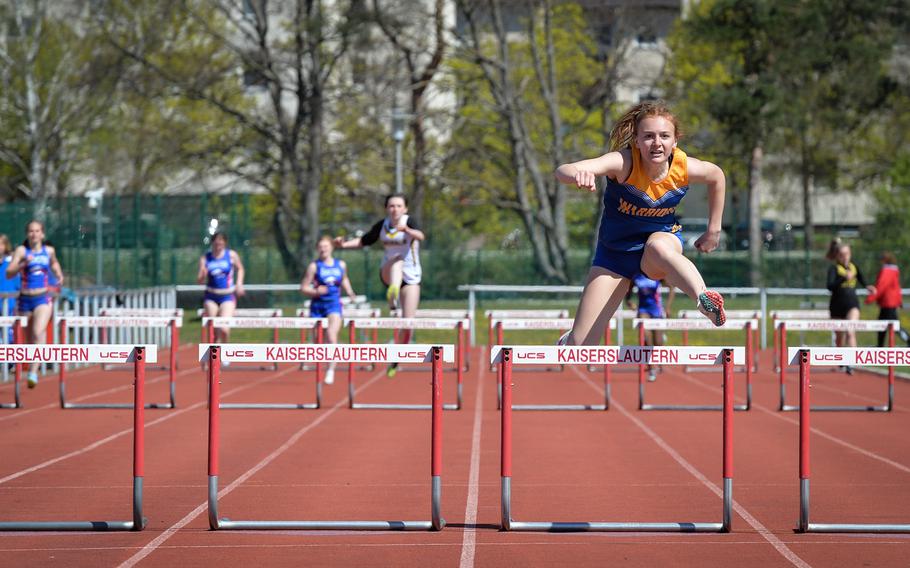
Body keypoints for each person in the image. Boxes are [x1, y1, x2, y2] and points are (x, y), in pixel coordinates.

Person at [554, 101, 727, 347]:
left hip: (659, 243)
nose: (656, 143)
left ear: (675, 141)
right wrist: (578, 174)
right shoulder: (623, 163)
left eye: (664, 136)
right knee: (580, 346)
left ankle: (703, 299)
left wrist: (714, 229)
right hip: (615, 254)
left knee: (658, 247)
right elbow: (563, 170)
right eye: (648, 136)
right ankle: (568, 341)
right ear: (636, 140)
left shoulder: (684, 167)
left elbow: (717, 176)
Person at [334, 194, 425, 377]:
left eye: (399, 206)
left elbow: (421, 236)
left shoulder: (410, 222)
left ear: (405, 209)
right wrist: (342, 245)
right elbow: (363, 241)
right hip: (388, 271)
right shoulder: (382, 225)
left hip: (411, 278)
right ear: (387, 209)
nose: (395, 209)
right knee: (397, 260)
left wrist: (407, 230)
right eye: (391, 206)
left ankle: (395, 362)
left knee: (408, 325)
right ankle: (392, 294)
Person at [5, 221, 64, 388]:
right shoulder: (21, 251)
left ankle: (33, 371)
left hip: (42, 298)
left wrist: (59, 274)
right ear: (27, 234)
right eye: (31, 231)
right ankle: (30, 366)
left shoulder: (49, 250)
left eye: (37, 231)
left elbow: (53, 262)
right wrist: (22, 263)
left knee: (39, 332)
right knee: (28, 338)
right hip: (24, 299)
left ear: (42, 234)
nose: (34, 234)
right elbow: (9, 273)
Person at [300, 236, 357, 384]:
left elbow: (344, 278)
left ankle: (330, 370)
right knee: (317, 341)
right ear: (317, 249)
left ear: (331, 247)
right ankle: (323, 363)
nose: (323, 249)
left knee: (331, 334)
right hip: (317, 305)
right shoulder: (314, 266)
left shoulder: (341, 265)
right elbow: (304, 287)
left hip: (334, 305)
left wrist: (350, 292)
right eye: (320, 247)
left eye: (326, 246)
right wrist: (316, 291)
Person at [825, 239, 875, 373]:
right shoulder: (834, 269)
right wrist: (843, 278)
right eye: (842, 254)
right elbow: (829, 287)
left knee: (850, 331)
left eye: (847, 254)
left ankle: (851, 363)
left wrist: (868, 287)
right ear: (837, 256)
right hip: (836, 305)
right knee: (839, 336)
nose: (845, 257)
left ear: (850, 254)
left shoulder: (854, 267)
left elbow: (862, 280)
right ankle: (841, 358)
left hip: (852, 304)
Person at [197, 232, 245, 347]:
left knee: (224, 329)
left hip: (227, 296)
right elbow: (199, 281)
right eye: (216, 241)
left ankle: (225, 350)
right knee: (213, 330)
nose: (218, 244)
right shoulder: (205, 258)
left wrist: (239, 283)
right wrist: (203, 275)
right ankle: (214, 358)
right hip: (211, 296)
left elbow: (241, 269)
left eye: (221, 241)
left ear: (224, 242)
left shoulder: (231, 255)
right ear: (212, 242)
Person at [625, 272, 675, 381]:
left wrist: (668, 307)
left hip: (656, 310)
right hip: (643, 310)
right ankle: (651, 368)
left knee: (657, 342)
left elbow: (671, 288)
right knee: (646, 339)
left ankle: (661, 346)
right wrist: (629, 303)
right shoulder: (636, 276)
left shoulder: (656, 273)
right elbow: (628, 294)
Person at [864, 251, 902, 347]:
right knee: (883, 325)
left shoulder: (887, 271)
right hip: (889, 303)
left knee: (893, 327)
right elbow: (897, 288)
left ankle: (880, 346)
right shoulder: (893, 271)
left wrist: (870, 298)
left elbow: (881, 286)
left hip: (888, 303)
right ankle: (880, 346)